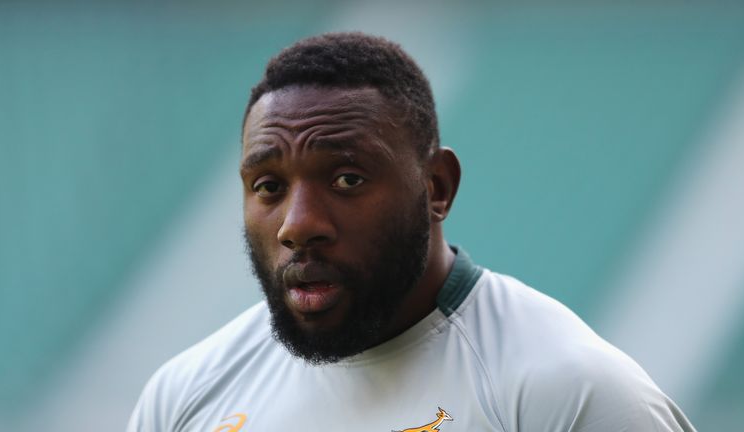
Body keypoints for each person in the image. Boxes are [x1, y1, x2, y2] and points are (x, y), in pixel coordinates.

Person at [127, 32, 696, 431]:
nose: (298, 225)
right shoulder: (185, 398)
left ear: (437, 187)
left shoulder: (570, 395)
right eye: (269, 187)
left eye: (347, 178)